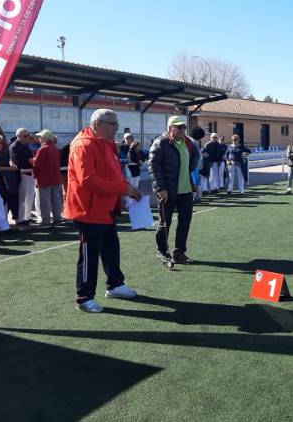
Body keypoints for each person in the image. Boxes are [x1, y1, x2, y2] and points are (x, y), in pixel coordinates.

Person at [64, 109, 141, 313]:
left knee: (111, 249)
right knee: (89, 256)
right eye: (112, 124)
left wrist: (126, 189)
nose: (116, 128)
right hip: (87, 210)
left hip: (105, 208)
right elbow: (88, 181)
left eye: (116, 124)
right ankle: (84, 297)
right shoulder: (83, 144)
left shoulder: (106, 144)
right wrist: (122, 189)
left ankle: (115, 285)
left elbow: (113, 175)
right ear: (98, 124)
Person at [148, 115, 200, 264]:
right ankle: (162, 251)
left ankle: (179, 253)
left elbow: (193, 159)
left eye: (184, 127)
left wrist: (190, 178)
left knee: (185, 222)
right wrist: (160, 188)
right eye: (179, 127)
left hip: (185, 190)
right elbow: (153, 167)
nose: (183, 130)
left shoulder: (187, 142)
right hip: (167, 190)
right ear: (170, 128)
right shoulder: (160, 143)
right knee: (165, 223)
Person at [32, 129, 63, 226]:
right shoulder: (55, 148)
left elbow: (37, 165)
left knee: (44, 201)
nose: (39, 139)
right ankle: (57, 218)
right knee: (56, 200)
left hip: (44, 179)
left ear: (44, 138)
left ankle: (46, 220)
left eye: (40, 137)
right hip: (56, 178)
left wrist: (35, 176)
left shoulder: (42, 149)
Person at [0, 134, 20, 226]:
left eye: (1, 143)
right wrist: (9, 168)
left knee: (7, 199)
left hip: (7, 180)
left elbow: (9, 161)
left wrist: (11, 163)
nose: (0, 145)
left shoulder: (3, 153)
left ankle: (5, 219)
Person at [9, 128, 35, 225]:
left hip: (29, 173)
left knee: (30, 197)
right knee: (22, 198)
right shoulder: (14, 147)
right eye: (25, 136)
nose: (27, 138)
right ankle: (20, 218)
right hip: (22, 174)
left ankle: (27, 217)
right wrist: (30, 161)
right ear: (18, 136)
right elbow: (17, 161)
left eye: (28, 135)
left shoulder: (26, 146)